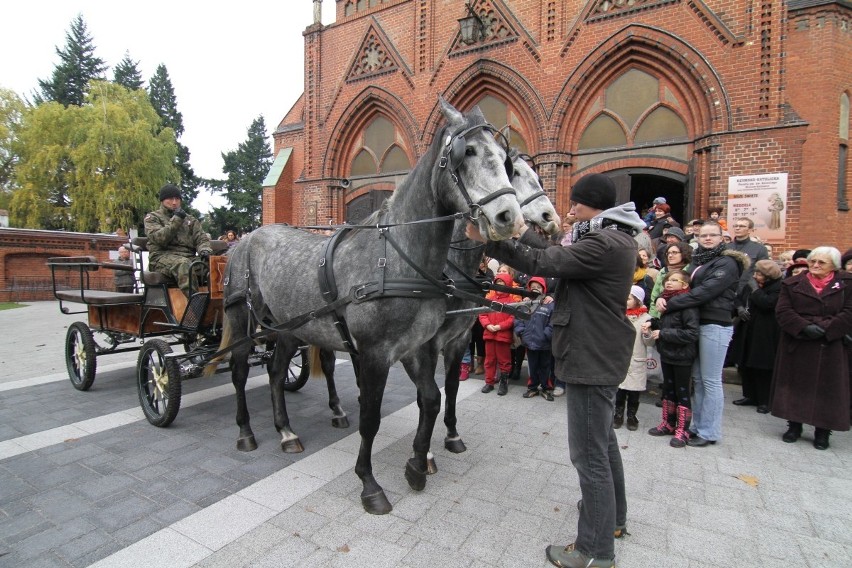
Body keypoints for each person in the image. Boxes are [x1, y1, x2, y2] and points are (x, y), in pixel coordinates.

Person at [467, 172, 645, 568]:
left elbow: (543, 260)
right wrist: (513, 228)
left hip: (590, 355)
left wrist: (492, 236)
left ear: (591, 202)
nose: (569, 209)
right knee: (603, 444)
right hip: (597, 351)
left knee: (588, 455)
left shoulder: (603, 243)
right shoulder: (611, 237)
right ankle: (612, 519)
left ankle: (595, 551)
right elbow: (551, 253)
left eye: (576, 202)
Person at [655, 220, 749, 447]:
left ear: (722, 238)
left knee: (710, 380)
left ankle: (709, 431)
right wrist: (662, 296)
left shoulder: (727, 263)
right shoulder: (699, 262)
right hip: (699, 323)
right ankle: (695, 426)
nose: (707, 238)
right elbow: (684, 287)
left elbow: (704, 293)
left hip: (715, 325)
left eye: (712, 235)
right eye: (703, 235)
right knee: (697, 378)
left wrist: (671, 303)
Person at [770, 247, 852, 450]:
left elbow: (849, 312)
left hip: (830, 344)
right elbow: (783, 310)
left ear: (834, 265)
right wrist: (804, 326)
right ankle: (794, 426)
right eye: (812, 261)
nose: (815, 265)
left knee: (828, 389)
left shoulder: (847, 284)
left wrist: (826, 327)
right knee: (796, 386)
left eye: (821, 262)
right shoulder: (792, 283)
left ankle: (823, 431)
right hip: (799, 343)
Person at [645, 270, 700, 447]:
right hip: (668, 352)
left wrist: (663, 333)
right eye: (668, 280)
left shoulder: (687, 305)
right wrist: (653, 323)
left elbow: (691, 333)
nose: (668, 283)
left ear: (684, 285)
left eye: (674, 280)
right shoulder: (667, 303)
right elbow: (666, 324)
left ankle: (683, 430)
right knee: (668, 390)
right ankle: (668, 423)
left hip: (682, 355)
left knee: (682, 392)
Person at [730, 260, 783, 413]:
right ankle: (749, 395)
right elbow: (738, 298)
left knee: (763, 366)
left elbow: (767, 303)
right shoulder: (751, 286)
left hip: (766, 332)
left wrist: (756, 291)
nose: (755, 276)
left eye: (759, 274)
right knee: (746, 364)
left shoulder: (778, 288)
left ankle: (764, 400)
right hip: (748, 329)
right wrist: (739, 308)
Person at [144, 183, 213, 296]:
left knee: (213, 265)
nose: (174, 202)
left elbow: (201, 238)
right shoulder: (152, 218)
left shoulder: (190, 220)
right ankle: (195, 306)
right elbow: (160, 238)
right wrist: (177, 219)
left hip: (188, 257)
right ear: (162, 201)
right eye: (170, 199)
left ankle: (218, 304)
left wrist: (205, 250)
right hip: (161, 257)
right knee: (184, 264)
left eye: (177, 199)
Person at [614, 286, 653, 430]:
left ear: (637, 300)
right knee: (619, 391)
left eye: (629, 298)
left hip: (637, 360)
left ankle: (631, 416)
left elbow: (650, 343)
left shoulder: (646, 318)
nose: (625, 301)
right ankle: (617, 415)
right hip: (620, 359)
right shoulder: (619, 315)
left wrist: (646, 333)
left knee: (634, 393)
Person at [515, 277, 555, 401]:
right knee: (532, 366)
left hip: (544, 344)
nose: (535, 289)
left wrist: (546, 335)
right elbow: (518, 319)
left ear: (543, 289)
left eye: (538, 287)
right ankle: (532, 387)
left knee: (545, 366)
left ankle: (545, 388)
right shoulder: (525, 303)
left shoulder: (549, 304)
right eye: (533, 287)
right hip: (530, 342)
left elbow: (553, 322)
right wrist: (521, 332)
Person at [478, 270, 516, 396]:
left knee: (504, 360)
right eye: (498, 283)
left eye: (502, 283)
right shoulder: (490, 299)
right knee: (489, 360)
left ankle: (503, 382)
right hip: (490, 334)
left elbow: (512, 318)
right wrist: (488, 325)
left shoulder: (512, 301)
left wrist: (500, 326)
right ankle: (489, 382)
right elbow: (482, 313)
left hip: (503, 335)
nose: (500, 286)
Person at [648, 241, 693, 318]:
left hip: (681, 316)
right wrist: (653, 318)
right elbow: (654, 296)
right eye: (668, 253)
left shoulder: (690, 271)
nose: (670, 255)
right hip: (660, 316)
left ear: (684, 253)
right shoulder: (663, 271)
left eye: (674, 252)